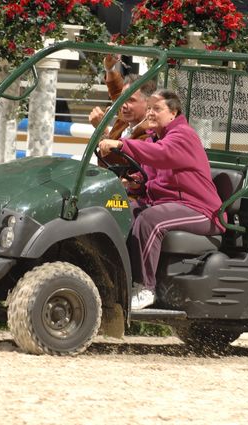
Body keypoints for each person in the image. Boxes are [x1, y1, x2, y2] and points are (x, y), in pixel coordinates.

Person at [98, 90, 225, 310]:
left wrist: (121, 145)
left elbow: (161, 154)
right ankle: (115, 279)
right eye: (148, 109)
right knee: (119, 210)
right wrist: (134, 181)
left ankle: (145, 288)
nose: (150, 113)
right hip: (169, 205)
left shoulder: (183, 135)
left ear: (173, 113)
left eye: (157, 109)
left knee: (150, 220)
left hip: (200, 209)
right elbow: (149, 173)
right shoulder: (155, 138)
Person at [90, 54, 155, 194]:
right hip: (109, 187)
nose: (123, 105)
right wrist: (109, 68)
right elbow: (117, 91)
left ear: (149, 103)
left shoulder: (151, 133)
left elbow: (118, 163)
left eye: (130, 100)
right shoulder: (127, 117)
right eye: (122, 99)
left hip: (129, 196)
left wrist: (101, 131)